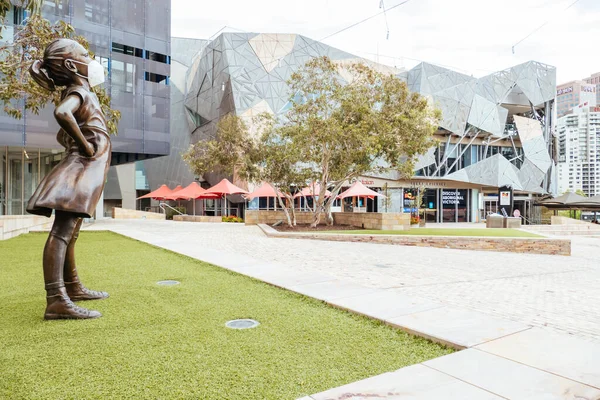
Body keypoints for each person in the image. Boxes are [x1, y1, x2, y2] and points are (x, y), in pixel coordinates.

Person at [28, 39, 110, 320]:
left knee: (71, 229)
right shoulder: (77, 92)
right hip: (80, 167)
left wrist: (76, 140)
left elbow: (66, 128)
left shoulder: (84, 93)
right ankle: (56, 299)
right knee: (63, 230)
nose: (92, 60)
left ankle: (72, 287)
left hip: (86, 167)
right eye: (86, 55)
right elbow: (62, 113)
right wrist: (85, 147)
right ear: (74, 65)